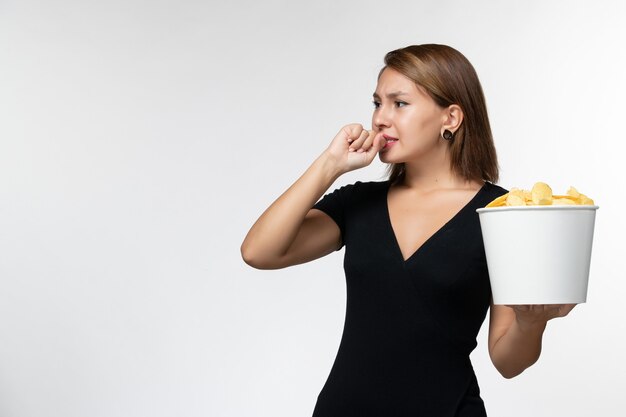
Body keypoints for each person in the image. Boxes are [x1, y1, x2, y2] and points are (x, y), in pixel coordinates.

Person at [241, 44, 575, 416]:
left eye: (399, 103)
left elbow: (508, 362)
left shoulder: (501, 212)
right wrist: (329, 166)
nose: (381, 118)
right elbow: (259, 252)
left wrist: (531, 323)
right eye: (377, 103)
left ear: (451, 117)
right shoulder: (358, 203)